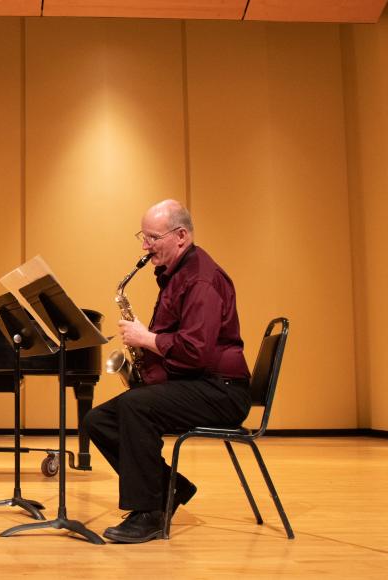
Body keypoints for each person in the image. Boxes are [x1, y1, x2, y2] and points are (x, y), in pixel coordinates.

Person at [83, 199, 252, 543]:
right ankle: (169, 489)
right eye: (142, 237)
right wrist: (150, 342)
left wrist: (148, 339)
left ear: (181, 236)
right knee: (97, 420)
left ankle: (149, 513)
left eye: (152, 238)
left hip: (222, 390)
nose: (145, 247)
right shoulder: (178, 274)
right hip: (200, 382)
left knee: (135, 406)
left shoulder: (202, 280)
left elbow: (195, 352)